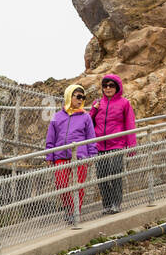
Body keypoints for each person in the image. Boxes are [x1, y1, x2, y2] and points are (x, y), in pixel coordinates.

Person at [46, 83, 97, 225]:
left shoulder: (86, 117)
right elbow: (50, 137)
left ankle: (75, 212)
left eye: (83, 97)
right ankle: (69, 208)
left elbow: (91, 137)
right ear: (69, 97)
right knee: (61, 184)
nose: (80, 100)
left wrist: (92, 154)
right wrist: (49, 156)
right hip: (60, 156)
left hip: (80, 156)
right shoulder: (57, 116)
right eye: (77, 96)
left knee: (79, 186)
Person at [89, 74, 136, 213]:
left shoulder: (124, 103)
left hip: (117, 143)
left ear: (117, 87)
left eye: (111, 85)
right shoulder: (97, 103)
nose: (108, 88)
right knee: (101, 175)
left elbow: (130, 124)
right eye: (105, 85)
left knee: (115, 171)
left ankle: (116, 203)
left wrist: (131, 145)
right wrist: (94, 110)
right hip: (99, 144)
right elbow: (89, 123)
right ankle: (107, 204)